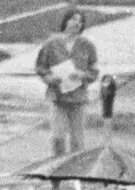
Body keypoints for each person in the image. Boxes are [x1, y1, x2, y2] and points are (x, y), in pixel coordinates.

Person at [36, 9, 102, 156]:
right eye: (73, 19)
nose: (76, 23)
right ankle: (58, 169)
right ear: (66, 21)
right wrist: (49, 78)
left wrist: (82, 75)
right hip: (58, 97)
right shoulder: (51, 44)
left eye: (80, 21)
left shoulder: (88, 46)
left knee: (77, 140)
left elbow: (94, 71)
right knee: (58, 137)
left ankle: (75, 174)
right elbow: (41, 67)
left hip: (78, 98)